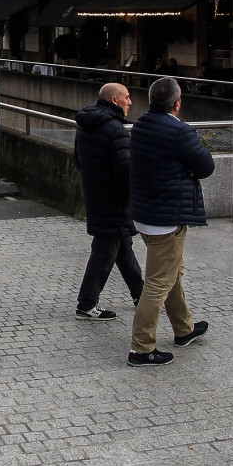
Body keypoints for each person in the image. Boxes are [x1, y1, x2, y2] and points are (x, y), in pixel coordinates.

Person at [128, 76, 215, 367]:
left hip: (145, 214)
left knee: (171, 274)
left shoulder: (140, 125)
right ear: (177, 104)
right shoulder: (180, 132)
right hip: (168, 218)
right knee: (157, 283)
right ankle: (141, 349)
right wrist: (187, 169)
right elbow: (205, 166)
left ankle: (184, 329)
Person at [73, 82, 143, 321]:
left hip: (97, 197)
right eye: (127, 97)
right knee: (104, 252)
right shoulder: (115, 130)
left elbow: (79, 160)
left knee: (123, 248)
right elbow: (126, 172)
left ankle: (140, 294)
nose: (130, 102)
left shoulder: (86, 126)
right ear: (115, 100)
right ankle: (87, 303)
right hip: (114, 202)